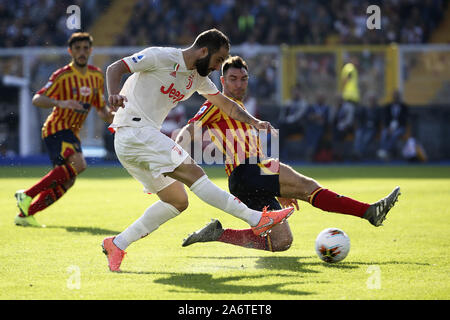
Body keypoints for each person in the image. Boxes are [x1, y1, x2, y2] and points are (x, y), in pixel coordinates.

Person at [102, 29, 294, 272]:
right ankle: (257, 219)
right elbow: (114, 68)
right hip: (134, 131)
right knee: (196, 175)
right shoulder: (160, 57)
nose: (217, 67)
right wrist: (113, 94)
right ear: (204, 51)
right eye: (217, 60)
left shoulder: (198, 79)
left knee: (177, 201)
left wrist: (254, 122)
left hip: (137, 140)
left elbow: (229, 106)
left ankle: (117, 244)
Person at [178, 56, 401, 253]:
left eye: (243, 78)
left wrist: (277, 186)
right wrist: (174, 158)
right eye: (233, 79)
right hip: (250, 169)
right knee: (308, 187)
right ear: (222, 81)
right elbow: (189, 130)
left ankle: (218, 233)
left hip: (246, 179)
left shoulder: (240, 108)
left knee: (281, 241)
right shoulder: (216, 104)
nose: (239, 83)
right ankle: (369, 212)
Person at [14, 32, 114, 227]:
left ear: (91, 50)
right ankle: (26, 194)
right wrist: (62, 102)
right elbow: (37, 99)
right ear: (70, 51)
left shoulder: (96, 76)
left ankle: (25, 215)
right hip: (56, 128)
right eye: (78, 49)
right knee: (79, 165)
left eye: (86, 48)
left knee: (68, 181)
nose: (82, 52)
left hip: (72, 133)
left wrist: (115, 115)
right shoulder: (62, 76)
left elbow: (101, 110)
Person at [377, 90, 409, 161]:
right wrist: (388, 128)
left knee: (395, 134)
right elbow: (385, 119)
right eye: (394, 96)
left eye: (397, 96)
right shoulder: (388, 107)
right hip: (389, 127)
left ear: (399, 97)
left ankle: (384, 151)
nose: (396, 97)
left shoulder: (404, 107)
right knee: (384, 133)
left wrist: (395, 127)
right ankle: (385, 152)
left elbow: (404, 120)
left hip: (400, 128)